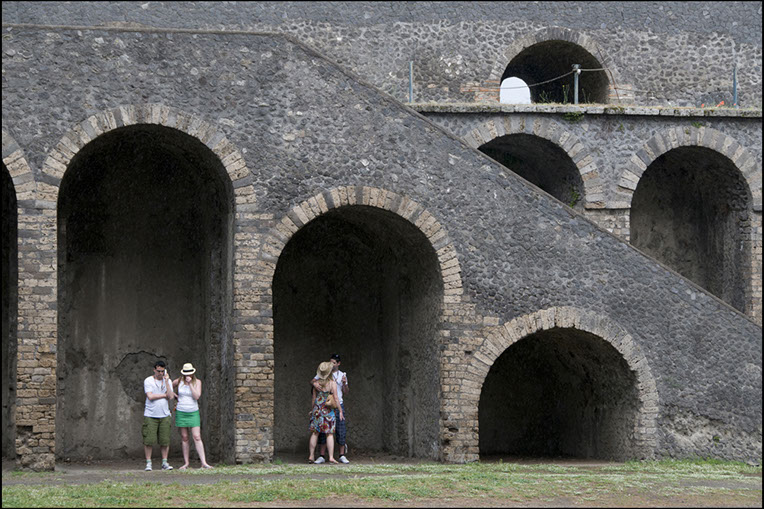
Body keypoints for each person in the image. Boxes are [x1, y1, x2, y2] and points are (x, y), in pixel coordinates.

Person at [172, 363, 213, 470]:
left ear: (193, 373)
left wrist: (190, 384)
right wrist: (174, 396)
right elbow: (169, 386)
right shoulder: (179, 381)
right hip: (181, 411)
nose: (187, 375)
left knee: (196, 436)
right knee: (185, 437)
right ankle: (186, 463)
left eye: (189, 373)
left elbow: (197, 396)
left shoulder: (197, 382)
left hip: (193, 411)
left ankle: (203, 462)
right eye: (185, 373)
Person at [311, 353, 349, 464]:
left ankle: (341, 455)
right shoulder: (323, 373)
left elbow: (346, 392)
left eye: (334, 363)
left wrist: (344, 384)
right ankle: (322, 455)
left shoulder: (342, 375)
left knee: (340, 429)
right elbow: (312, 381)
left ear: (338, 364)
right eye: (330, 362)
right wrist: (314, 384)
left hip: (337, 404)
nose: (331, 364)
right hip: (325, 405)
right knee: (323, 431)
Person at [143, 360, 175, 471]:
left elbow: (170, 396)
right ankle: (148, 462)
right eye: (158, 371)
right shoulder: (148, 381)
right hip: (151, 414)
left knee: (165, 441)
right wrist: (163, 395)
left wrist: (166, 382)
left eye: (162, 371)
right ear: (154, 370)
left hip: (164, 414)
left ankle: (164, 462)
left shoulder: (168, 381)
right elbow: (150, 396)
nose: (160, 373)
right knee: (149, 440)